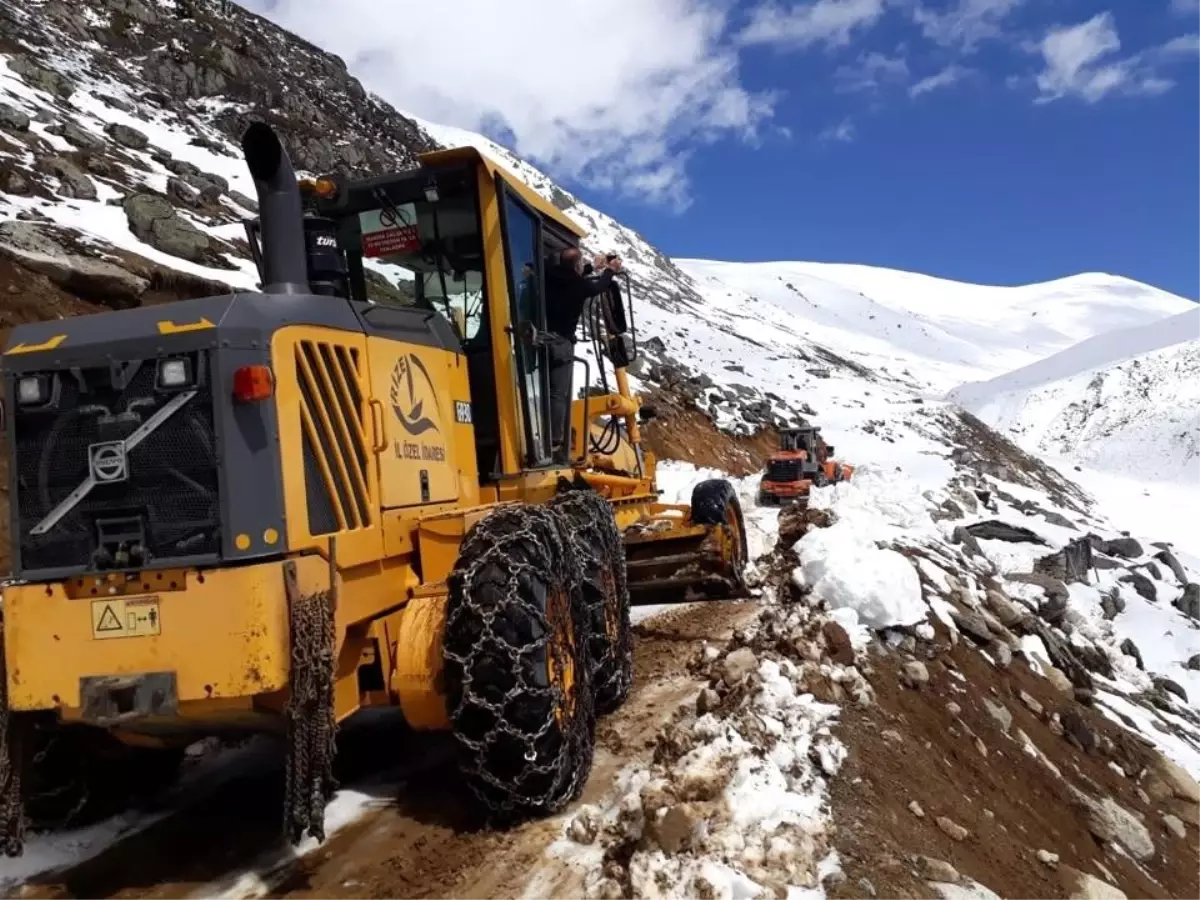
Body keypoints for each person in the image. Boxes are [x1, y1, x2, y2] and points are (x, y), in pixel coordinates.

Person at [544, 247, 622, 458]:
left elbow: (570, 274)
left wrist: (591, 267)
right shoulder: (578, 285)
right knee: (558, 393)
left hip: (540, 340)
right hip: (561, 344)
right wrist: (610, 270)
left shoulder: (547, 276)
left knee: (543, 389)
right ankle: (554, 440)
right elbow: (600, 287)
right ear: (577, 266)